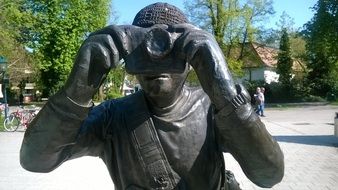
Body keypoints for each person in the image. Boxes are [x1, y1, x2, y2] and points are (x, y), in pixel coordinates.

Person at [20, 3, 284, 190]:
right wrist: (78, 87)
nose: (155, 56)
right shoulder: (112, 117)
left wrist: (225, 92)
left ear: (189, 55)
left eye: (169, 47)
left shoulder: (213, 108)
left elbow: (269, 175)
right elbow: (34, 160)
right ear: (128, 53)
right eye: (142, 47)